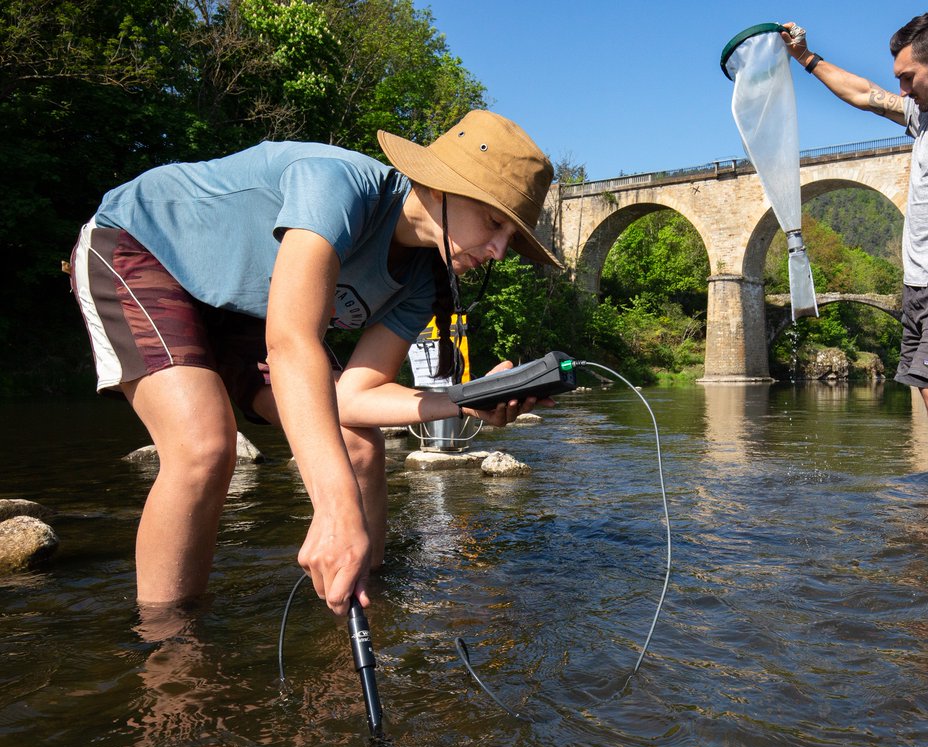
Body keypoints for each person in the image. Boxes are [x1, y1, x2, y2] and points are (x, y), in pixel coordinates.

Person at [67, 110, 561, 615]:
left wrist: (465, 401)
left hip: (248, 307)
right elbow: (290, 339)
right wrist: (335, 506)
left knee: (357, 445)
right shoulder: (338, 184)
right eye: (495, 222)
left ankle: (363, 609)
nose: (500, 250)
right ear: (440, 187)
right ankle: (169, 651)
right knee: (205, 447)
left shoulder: (420, 283)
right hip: (142, 246)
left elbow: (354, 398)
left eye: (511, 239)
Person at [780, 13, 928, 496]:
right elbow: (863, 93)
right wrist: (806, 58)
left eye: (908, 78)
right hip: (920, 288)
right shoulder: (926, 115)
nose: (904, 90)